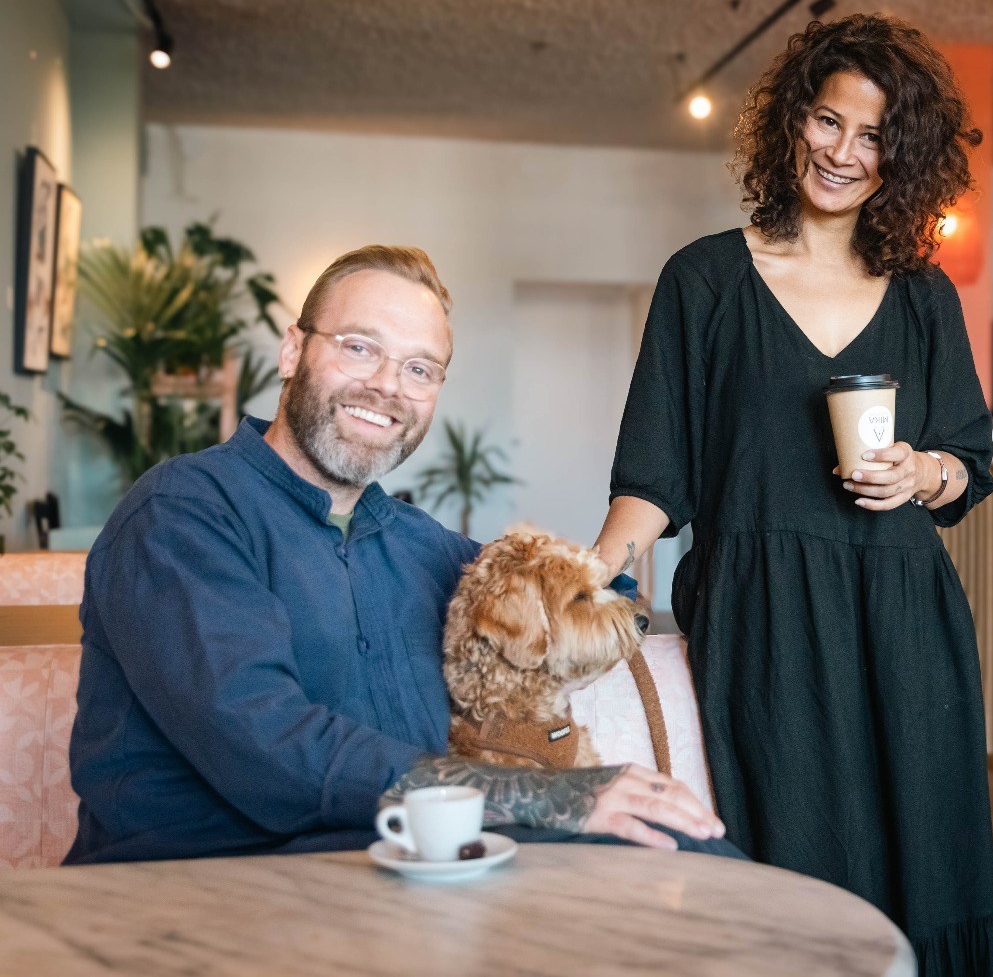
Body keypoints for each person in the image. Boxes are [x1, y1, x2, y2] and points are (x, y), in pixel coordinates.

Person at [67, 244, 730, 864]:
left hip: (417, 874)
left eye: (419, 369)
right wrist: (551, 797)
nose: (387, 386)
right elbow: (267, 747)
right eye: (360, 348)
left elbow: (587, 599)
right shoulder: (182, 513)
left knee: (694, 856)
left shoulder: (423, 546)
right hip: (211, 886)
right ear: (293, 350)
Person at [595, 15, 993, 974]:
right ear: (792, 122)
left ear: (898, 160)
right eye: (830, 122)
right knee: (790, 871)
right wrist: (596, 566)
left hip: (904, 614)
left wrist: (921, 471)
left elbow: (965, 465)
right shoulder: (703, 280)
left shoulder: (924, 295)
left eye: (872, 138)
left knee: (933, 869)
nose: (843, 153)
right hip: (763, 619)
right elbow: (654, 478)